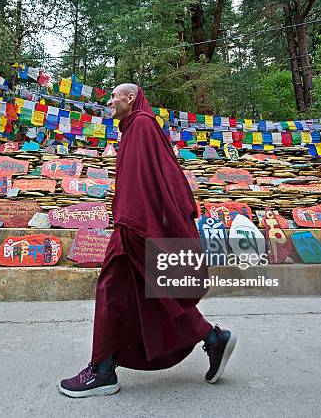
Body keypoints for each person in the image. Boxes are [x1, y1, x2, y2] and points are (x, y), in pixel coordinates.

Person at [59, 84, 236, 398]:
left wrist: (131, 223)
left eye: (114, 96)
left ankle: (102, 369)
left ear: (130, 98)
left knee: (117, 289)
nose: (109, 101)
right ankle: (210, 338)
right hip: (136, 223)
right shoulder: (134, 128)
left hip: (136, 226)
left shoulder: (140, 125)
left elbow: (143, 183)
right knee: (145, 297)